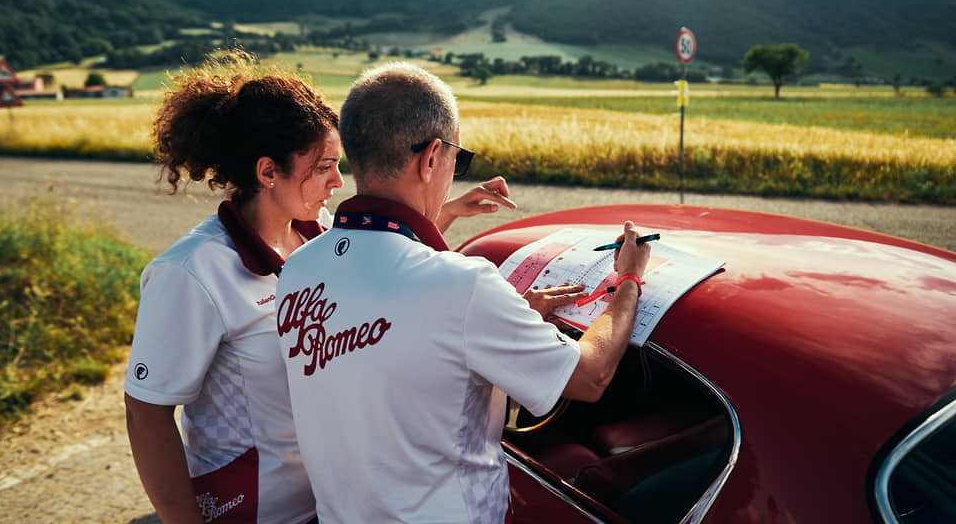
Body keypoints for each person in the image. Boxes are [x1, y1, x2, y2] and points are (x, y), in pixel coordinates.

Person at [275, 61, 651, 523]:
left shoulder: (298, 270)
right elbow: (590, 377)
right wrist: (628, 281)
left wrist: (507, 320)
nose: (454, 171)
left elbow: (391, 354)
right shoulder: (463, 286)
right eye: (457, 157)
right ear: (432, 157)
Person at [123, 58, 343, 524]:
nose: (338, 182)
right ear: (268, 172)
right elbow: (146, 413)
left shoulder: (316, 233)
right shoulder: (190, 272)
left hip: (333, 500)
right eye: (324, 166)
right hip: (257, 512)